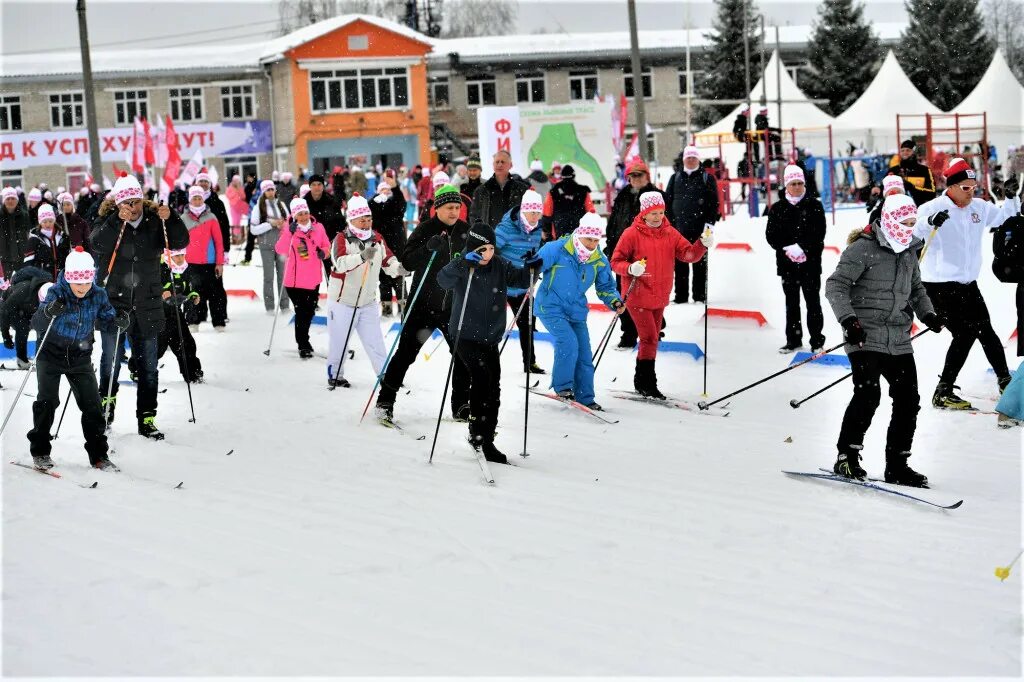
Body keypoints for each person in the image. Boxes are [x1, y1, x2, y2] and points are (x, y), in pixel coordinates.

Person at [825, 194, 943, 487]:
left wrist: (928, 315)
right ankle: (847, 457)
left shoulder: (909, 251)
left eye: (912, 223)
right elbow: (836, 285)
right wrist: (849, 321)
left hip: (898, 336)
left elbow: (916, 290)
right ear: (889, 219)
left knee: (908, 399)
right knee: (868, 395)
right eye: (904, 222)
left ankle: (897, 464)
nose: (909, 228)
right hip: (863, 334)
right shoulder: (862, 249)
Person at [914, 157, 1021, 409]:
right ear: (950, 187)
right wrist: (929, 222)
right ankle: (943, 391)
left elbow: (1005, 218)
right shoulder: (933, 207)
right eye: (965, 188)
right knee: (964, 334)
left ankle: (1005, 379)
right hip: (938, 285)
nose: (970, 193)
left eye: (974, 188)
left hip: (967, 284)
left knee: (986, 331)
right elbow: (911, 232)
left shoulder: (979, 208)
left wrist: (1010, 197)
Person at [92, 173, 188, 439]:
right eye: (126, 202)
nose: (132, 207)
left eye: (135, 201)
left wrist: (172, 218)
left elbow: (180, 241)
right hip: (115, 303)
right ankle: (106, 405)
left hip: (148, 303)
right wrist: (115, 221)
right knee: (110, 360)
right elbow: (96, 243)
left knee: (148, 367)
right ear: (117, 203)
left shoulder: (155, 221)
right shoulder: (109, 220)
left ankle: (147, 417)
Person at [437, 222, 533, 464]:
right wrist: (463, 263)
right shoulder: (463, 265)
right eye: (482, 249)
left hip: (490, 337)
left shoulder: (499, 265)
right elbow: (443, 280)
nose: (487, 254)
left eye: (491, 248)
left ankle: (487, 434)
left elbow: (521, 279)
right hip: (464, 336)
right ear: (472, 248)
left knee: (494, 387)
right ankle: (478, 434)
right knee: (481, 379)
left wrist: (533, 267)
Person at [375, 185, 472, 423]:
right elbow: (406, 263)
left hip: (452, 307)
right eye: (449, 207)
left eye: (457, 207)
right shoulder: (425, 229)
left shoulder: (465, 231)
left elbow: (479, 259)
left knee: (463, 356)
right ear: (437, 208)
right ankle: (385, 401)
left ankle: (461, 405)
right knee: (406, 354)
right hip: (423, 307)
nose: (454, 212)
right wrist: (427, 249)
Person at [27, 248, 125, 472]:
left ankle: (99, 455)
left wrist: (119, 322)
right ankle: (40, 451)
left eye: (86, 282)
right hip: (50, 354)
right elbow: (37, 322)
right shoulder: (56, 292)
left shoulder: (97, 294)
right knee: (47, 402)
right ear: (69, 278)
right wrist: (50, 311)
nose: (82, 288)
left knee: (92, 406)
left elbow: (108, 320)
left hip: (80, 356)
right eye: (77, 283)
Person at [610, 191, 712, 399]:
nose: (658, 217)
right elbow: (615, 261)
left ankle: (641, 380)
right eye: (653, 213)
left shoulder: (670, 232)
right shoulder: (631, 234)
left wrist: (702, 244)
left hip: (660, 294)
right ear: (644, 213)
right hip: (637, 295)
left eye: (661, 212)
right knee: (648, 338)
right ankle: (648, 382)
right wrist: (630, 268)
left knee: (653, 338)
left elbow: (688, 254)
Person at [534, 213, 623, 409]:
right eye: (588, 239)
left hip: (576, 311)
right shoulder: (556, 249)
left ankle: (585, 397)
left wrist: (615, 301)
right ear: (579, 234)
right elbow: (533, 267)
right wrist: (530, 270)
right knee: (568, 342)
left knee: (584, 353)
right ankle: (563, 387)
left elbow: (606, 287)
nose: (591, 244)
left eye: (595, 240)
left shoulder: (599, 259)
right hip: (549, 306)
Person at [325, 195, 406, 387]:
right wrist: (361, 256)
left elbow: (387, 260)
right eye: (361, 219)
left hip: (367, 301)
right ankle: (335, 375)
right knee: (340, 342)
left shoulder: (376, 238)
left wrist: (399, 268)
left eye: (368, 219)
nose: (366, 223)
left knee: (375, 341)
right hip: (342, 302)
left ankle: (385, 375)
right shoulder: (341, 238)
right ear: (351, 220)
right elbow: (340, 263)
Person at [765, 165, 827, 354]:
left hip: (811, 264)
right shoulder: (777, 208)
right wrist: (787, 249)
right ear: (787, 185)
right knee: (791, 304)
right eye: (793, 183)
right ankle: (793, 340)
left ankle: (817, 341)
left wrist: (802, 247)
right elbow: (771, 235)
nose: (797, 187)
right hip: (787, 266)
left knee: (813, 303)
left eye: (800, 183)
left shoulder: (814, 205)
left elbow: (819, 233)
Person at [606, 159, 661, 350]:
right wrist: (610, 247)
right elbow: (613, 222)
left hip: (649, 254)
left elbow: (666, 226)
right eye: (632, 175)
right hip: (623, 254)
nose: (636, 179)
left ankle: (654, 331)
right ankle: (628, 333)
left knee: (650, 294)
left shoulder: (657, 196)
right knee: (625, 296)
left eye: (639, 175)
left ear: (647, 175)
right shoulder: (623, 196)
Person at [495, 189, 546, 373]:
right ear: (523, 211)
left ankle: (529, 362)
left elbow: (535, 253)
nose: (535, 217)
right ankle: (488, 360)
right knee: (494, 325)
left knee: (527, 324)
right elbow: (491, 250)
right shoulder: (506, 228)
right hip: (501, 285)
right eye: (532, 212)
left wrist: (533, 271)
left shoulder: (537, 229)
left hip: (522, 285)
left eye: (538, 212)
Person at [275, 197, 330, 359]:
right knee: (302, 312)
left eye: (306, 212)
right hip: (294, 281)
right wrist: (289, 233)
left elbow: (327, 245)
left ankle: (303, 340)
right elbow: (280, 249)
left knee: (309, 311)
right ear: (294, 215)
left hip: (313, 279)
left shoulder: (318, 228)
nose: (304, 216)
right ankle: (303, 343)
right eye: (300, 214)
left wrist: (324, 252)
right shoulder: (289, 230)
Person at [665, 145, 719, 304]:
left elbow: (713, 204)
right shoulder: (674, 178)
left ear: (698, 159)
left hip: (700, 229)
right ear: (683, 160)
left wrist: (709, 225)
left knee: (700, 262)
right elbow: (668, 203)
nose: (690, 160)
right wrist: (669, 225)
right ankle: (681, 296)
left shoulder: (706, 178)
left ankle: (700, 296)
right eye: (688, 157)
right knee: (680, 263)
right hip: (678, 230)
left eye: (693, 157)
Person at [180, 186, 226, 332]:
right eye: (194, 198)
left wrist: (220, 262)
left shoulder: (211, 218)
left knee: (215, 294)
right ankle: (193, 321)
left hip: (211, 263)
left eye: (200, 198)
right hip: (190, 263)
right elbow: (179, 243)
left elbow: (219, 242)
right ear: (190, 200)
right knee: (192, 293)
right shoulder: (183, 218)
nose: (197, 201)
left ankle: (218, 322)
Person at [156, 248, 203, 383]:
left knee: (186, 343)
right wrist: (162, 291)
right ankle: (138, 369)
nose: (180, 258)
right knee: (157, 347)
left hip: (176, 313)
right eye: (176, 256)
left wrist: (193, 295)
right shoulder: (160, 268)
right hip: (159, 314)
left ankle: (192, 373)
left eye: (182, 255)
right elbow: (150, 285)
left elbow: (188, 289)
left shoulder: (184, 268)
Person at [369, 171, 408, 317]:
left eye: (388, 190)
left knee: (399, 280)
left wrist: (395, 188)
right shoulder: (375, 207)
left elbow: (401, 204)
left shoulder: (395, 206)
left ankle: (405, 308)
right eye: (382, 190)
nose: (385, 192)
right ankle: (386, 309)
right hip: (381, 249)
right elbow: (368, 210)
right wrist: (374, 200)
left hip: (397, 249)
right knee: (383, 281)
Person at [249, 180, 290, 314]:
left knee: (283, 276)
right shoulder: (258, 207)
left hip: (282, 246)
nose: (270, 192)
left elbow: (289, 224)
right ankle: (270, 306)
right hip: (266, 245)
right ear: (263, 192)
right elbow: (253, 229)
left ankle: (285, 305)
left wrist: (283, 224)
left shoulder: (281, 204)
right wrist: (270, 224)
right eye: (268, 190)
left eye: (272, 189)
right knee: (269, 276)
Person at [0, 265, 52, 369]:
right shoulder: (23, 291)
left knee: (44, 327)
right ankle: (22, 360)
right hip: (11, 306)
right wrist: (6, 336)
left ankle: (45, 357)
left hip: (28, 308)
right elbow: (4, 311)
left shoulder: (52, 290)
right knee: (22, 327)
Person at [470, 150, 530, 228]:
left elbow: (529, 215)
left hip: (514, 237)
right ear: (493, 165)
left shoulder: (522, 189)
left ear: (510, 165)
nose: (499, 164)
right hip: (490, 238)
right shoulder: (482, 190)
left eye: (503, 162)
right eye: (497, 162)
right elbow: (474, 216)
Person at [304, 173, 344, 277]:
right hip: (308, 245)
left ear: (323, 186)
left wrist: (334, 240)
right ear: (310, 186)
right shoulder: (303, 203)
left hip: (329, 244)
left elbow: (340, 223)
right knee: (309, 277)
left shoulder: (331, 201)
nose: (317, 187)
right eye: (314, 184)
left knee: (332, 276)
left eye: (319, 184)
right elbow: (296, 222)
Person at [542, 164, 594, 240]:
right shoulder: (583, 191)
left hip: (559, 229)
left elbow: (547, 213)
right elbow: (591, 212)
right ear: (574, 175)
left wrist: (547, 231)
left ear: (562, 176)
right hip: (579, 230)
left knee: (561, 250)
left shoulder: (553, 192)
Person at [23, 203, 70, 283]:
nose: (48, 224)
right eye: (44, 221)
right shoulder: (34, 239)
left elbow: (68, 257)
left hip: (62, 280)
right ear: (40, 222)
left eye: (50, 221)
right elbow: (28, 264)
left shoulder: (63, 237)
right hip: (42, 281)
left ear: (54, 220)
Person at [888, 139, 937, 206]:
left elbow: (932, 193)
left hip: (919, 209)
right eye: (902, 150)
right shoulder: (894, 170)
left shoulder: (924, 170)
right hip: (897, 209)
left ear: (914, 152)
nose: (905, 152)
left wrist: (912, 188)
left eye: (908, 150)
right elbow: (884, 190)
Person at [195, 169, 230, 257]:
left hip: (213, 244)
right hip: (194, 245)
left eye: (206, 181)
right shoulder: (189, 202)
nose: (203, 183)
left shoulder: (218, 203)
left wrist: (226, 249)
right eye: (201, 181)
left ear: (210, 184)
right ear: (196, 183)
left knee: (213, 270)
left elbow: (224, 226)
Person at [1, 186, 30, 280]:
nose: (10, 201)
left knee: (21, 285)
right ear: (4, 201)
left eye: (13, 198)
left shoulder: (24, 215)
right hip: (4, 257)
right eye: (8, 199)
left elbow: (28, 233)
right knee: (5, 286)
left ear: (17, 200)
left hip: (21, 256)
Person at [225, 175, 248, 245]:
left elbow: (243, 196)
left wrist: (239, 190)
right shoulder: (230, 188)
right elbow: (228, 196)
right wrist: (235, 192)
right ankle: (236, 238)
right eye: (235, 181)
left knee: (239, 221)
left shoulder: (240, 188)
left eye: (237, 181)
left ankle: (239, 237)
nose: (236, 182)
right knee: (235, 222)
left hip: (240, 206)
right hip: (233, 207)